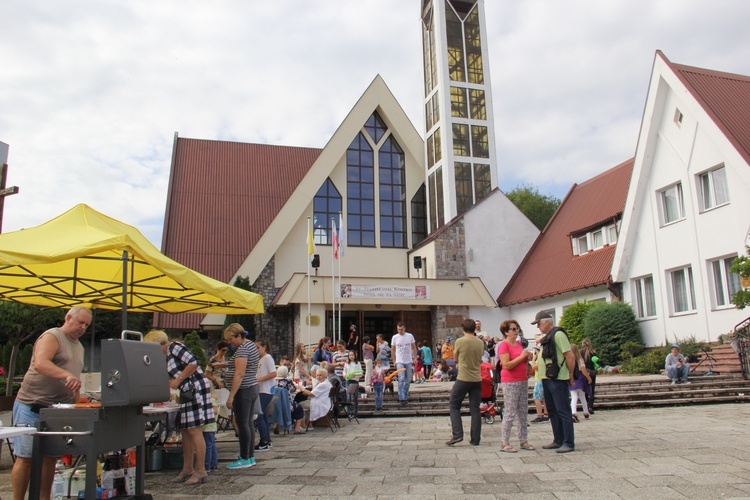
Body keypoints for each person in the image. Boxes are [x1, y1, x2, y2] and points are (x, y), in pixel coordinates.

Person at [11, 306, 91, 500]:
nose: (82, 327)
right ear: (68, 317)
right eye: (80, 322)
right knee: (26, 458)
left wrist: (76, 405)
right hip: (32, 405)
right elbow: (41, 363)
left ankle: (44, 498)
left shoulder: (79, 347)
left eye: (87, 325)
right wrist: (65, 374)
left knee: (50, 459)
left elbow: (74, 380)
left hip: (57, 411)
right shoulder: (52, 336)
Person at [144, 329, 214, 484]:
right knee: (185, 430)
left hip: (195, 389)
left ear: (159, 344)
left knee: (195, 429)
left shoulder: (174, 347)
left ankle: (200, 470)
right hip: (187, 392)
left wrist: (179, 379)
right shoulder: (168, 355)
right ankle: (187, 469)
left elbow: (193, 362)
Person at [534, 310, 576, 453]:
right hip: (547, 377)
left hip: (558, 378)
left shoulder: (558, 334)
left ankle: (568, 442)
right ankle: (558, 439)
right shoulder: (549, 336)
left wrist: (570, 374)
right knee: (552, 410)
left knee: (563, 410)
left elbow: (569, 355)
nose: (538, 326)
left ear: (546, 322)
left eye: (538, 323)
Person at [222, 323, 260, 469]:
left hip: (243, 389)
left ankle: (245, 457)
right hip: (251, 387)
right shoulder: (250, 345)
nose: (229, 342)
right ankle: (249, 456)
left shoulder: (243, 349)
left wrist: (231, 396)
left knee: (243, 423)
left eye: (231, 339)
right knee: (248, 423)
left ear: (238, 335)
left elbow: (240, 373)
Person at [497, 319, 535, 452]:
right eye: (513, 329)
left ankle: (523, 439)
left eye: (517, 328)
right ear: (506, 332)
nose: (516, 331)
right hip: (510, 381)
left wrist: (528, 356)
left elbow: (523, 358)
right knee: (510, 411)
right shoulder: (503, 345)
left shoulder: (519, 344)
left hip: (522, 379)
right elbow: (506, 365)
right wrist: (521, 357)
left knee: (523, 411)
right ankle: (504, 441)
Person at [446, 319, 485, 446]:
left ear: (463, 328)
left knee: (454, 405)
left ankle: (457, 434)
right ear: (475, 328)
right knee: (475, 409)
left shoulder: (460, 341)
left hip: (463, 377)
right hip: (477, 378)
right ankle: (475, 439)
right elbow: (480, 359)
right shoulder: (480, 342)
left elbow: (455, 358)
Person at [255, 339, 277, 452]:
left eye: (258, 347)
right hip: (262, 389)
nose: (256, 350)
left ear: (264, 347)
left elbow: (273, 373)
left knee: (259, 415)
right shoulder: (261, 359)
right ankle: (266, 440)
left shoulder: (267, 358)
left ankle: (264, 440)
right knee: (262, 415)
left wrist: (259, 379)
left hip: (266, 390)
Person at [391, 322, 417, 406]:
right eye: (398, 329)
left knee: (408, 380)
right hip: (399, 360)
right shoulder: (395, 337)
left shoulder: (409, 336)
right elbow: (393, 349)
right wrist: (394, 360)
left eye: (401, 329)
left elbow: (413, 347)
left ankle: (405, 395)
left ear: (404, 328)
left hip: (408, 360)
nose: (400, 331)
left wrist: (415, 357)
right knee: (401, 378)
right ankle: (401, 397)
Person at [569, 343, 593, 422]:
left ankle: (573, 412)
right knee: (582, 396)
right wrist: (589, 378)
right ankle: (586, 412)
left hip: (572, 378)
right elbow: (583, 370)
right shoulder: (580, 359)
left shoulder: (568, 359)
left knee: (574, 396)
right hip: (580, 378)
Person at [530, 334, 548, 423]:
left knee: (537, 397)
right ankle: (546, 413)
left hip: (539, 378)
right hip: (543, 377)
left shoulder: (539, 357)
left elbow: (534, 367)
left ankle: (539, 415)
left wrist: (534, 358)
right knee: (544, 398)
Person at [580, 338, 598, 414]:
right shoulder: (593, 352)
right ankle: (591, 406)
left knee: (585, 390)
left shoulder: (580, 353)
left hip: (584, 372)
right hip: (592, 372)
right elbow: (595, 363)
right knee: (592, 390)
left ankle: (586, 406)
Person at [343, 350, 363, 418]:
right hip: (348, 381)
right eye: (350, 355)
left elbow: (361, 373)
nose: (351, 357)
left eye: (352, 355)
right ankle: (348, 413)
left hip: (355, 381)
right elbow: (344, 371)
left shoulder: (358, 363)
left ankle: (355, 413)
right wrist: (345, 375)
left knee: (355, 397)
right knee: (348, 397)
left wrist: (356, 375)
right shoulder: (347, 363)